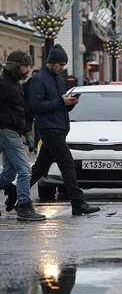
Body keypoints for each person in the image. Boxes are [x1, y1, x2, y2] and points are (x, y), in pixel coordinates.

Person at [29, 44, 100, 216]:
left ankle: (15, 193)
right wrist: (61, 102)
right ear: (51, 63)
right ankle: (78, 202)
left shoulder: (59, 79)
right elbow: (37, 106)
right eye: (60, 65)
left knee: (40, 167)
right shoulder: (39, 80)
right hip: (49, 128)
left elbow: (60, 104)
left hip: (59, 127)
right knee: (67, 164)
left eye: (64, 65)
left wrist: (70, 104)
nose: (62, 68)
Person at [0, 51, 46, 220]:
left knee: (9, 174)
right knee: (25, 170)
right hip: (6, 131)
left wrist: (27, 132)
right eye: (25, 66)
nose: (27, 69)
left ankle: (11, 190)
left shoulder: (16, 84)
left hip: (13, 131)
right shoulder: (3, 84)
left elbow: (21, 112)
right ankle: (24, 206)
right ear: (15, 66)